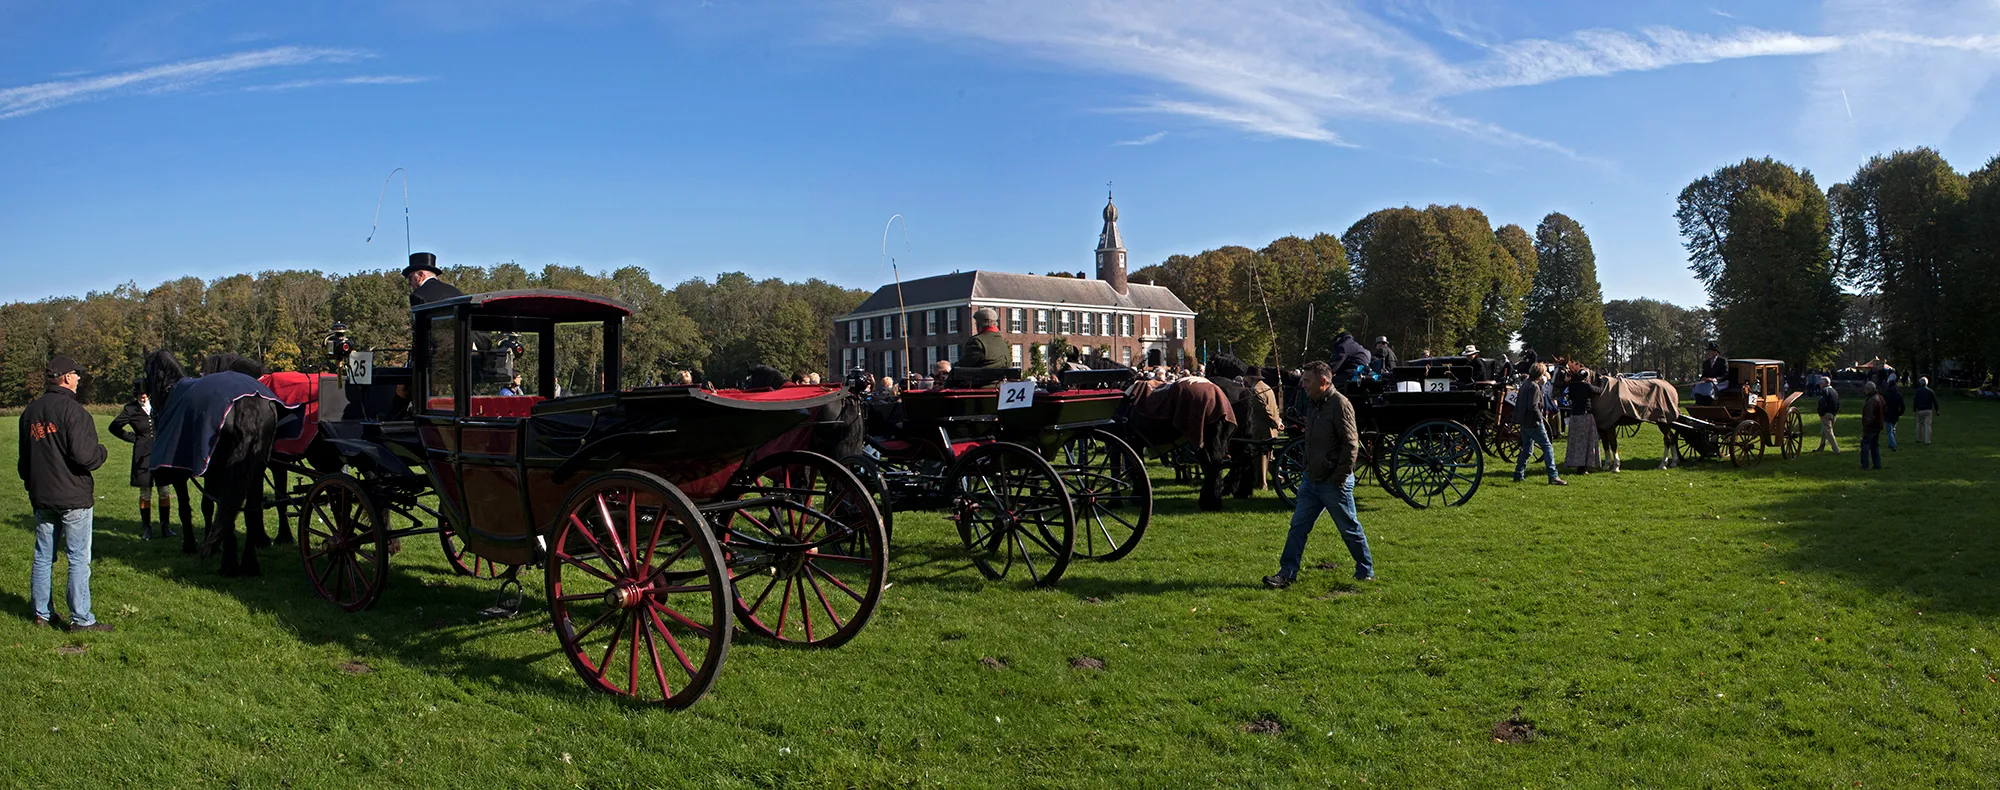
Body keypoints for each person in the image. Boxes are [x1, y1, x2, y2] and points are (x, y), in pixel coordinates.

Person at [18, 356, 112, 632]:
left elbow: (24, 462)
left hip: (42, 495)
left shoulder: (30, 412)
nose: (80, 379)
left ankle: (42, 614)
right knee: (78, 558)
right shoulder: (75, 412)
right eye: (77, 374)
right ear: (67, 377)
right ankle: (81, 619)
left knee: (43, 556)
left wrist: (32, 487)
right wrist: (102, 452)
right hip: (73, 497)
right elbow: (85, 457)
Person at [1265, 361, 1372, 589]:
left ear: (1323, 382)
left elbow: (1351, 445)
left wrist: (1339, 478)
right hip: (1311, 480)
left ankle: (1366, 571)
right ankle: (1286, 573)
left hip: (1333, 483)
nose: (1302, 384)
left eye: (1307, 381)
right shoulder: (1314, 403)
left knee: (1349, 528)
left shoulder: (1340, 405)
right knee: (1298, 527)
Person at [108, 387, 175, 540]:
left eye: (144, 396)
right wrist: (133, 438)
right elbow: (114, 427)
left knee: (164, 490)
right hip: (142, 454)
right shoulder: (130, 409)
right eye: (140, 396)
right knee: (145, 492)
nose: (142, 399)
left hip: (160, 453)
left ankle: (166, 527)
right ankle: (147, 529)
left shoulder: (159, 407)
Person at [1512, 364, 1566, 485]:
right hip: (1533, 422)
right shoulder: (1534, 387)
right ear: (1540, 374)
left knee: (1527, 449)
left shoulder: (1525, 384)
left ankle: (1518, 473)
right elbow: (1533, 406)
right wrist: (1540, 419)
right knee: (1547, 447)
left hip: (1524, 422)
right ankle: (1553, 476)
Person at [1563, 361, 1604, 474]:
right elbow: (1598, 391)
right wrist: (1601, 381)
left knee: (1576, 441)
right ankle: (1583, 467)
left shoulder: (1572, 386)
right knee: (1586, 441)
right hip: (1585, 415)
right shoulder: (1586, 386)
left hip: (1574, 416)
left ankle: (1576, 464)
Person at [1859, 381, 1884, 470]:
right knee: (1874, 445)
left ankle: (1865, 464)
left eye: (1865, 389)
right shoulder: (1880, 397)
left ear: (1869, 389)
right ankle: (1877, 464)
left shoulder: (1871, 400)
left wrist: (1866, 425)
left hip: (1871, 426)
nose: (1864, 391)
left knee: (1865, 445)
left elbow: (1869, 415)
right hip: (1878, 425)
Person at [1815, 375, 1841, 453]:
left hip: (1826, 414)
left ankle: (1836, 449)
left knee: (1829, 433)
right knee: (1825, 432)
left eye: (1821, 383)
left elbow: (1822, 403)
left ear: (1825, 383)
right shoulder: (1834, 391)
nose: (1820, 385)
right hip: (1833, 414)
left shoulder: (1824, 391)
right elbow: (1838, 403)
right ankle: (1821, 448)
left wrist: (1821, 412)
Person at [1913, 376, 1939, 445]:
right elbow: (1935, 401)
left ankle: (1919, 439)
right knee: (1927, 425)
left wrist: (1914, 410)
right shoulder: (1930, 391)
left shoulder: (1918, 391)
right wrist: (1937, 410)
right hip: (1928, 410)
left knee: (1919, 424)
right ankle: (1927, 440)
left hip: (1920, 410)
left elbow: (1915, 401)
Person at [1881, 375, 1904, 451]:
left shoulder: (1885, 395)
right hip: (1895, 414)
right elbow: (1902, 406)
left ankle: (1893, 444)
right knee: (1893, 429)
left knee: (1889, 431)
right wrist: (1900, 413)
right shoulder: (1898, 395)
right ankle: (1891, 443)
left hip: (1887, 414)